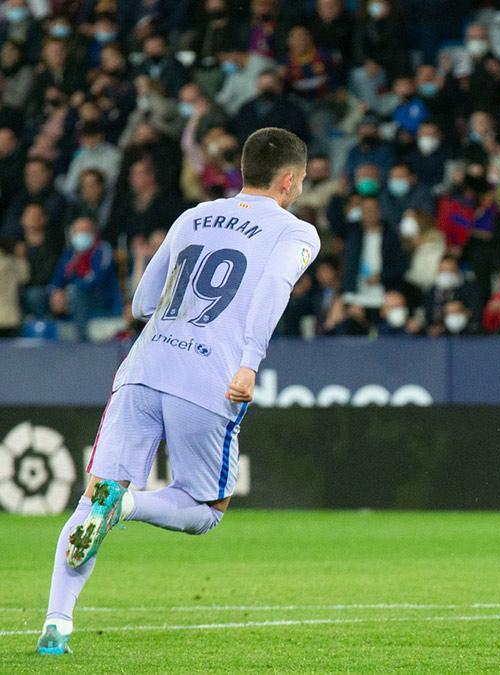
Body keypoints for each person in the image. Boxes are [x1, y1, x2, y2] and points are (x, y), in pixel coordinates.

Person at [36, 128, 320, 655]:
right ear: (289, 180)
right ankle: (127, 508)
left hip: (144, 366)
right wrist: (249, 364)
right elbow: (274, 292)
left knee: (95, 492)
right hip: (208, 377)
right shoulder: (295, 231)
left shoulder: (194, 215)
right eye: (301, 181)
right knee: (207, 506)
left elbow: (144, 298)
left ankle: (57, 623)